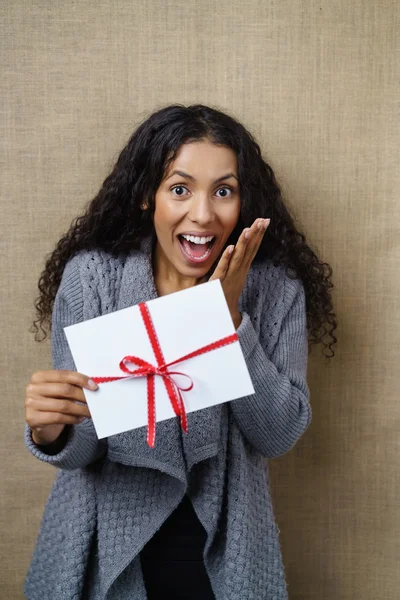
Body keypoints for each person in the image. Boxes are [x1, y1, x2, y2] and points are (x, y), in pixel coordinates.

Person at [24, 103, 337, 600]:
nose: (203, 213)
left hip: (222, 552)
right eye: (179, 189)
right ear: (149, 196)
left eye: (224, 191)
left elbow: (278, 434)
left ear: (243, 200)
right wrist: (53, 430)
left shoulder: (276, 290)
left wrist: (228, 320)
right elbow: (85, 449)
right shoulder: (93, 280)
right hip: (106, 540)